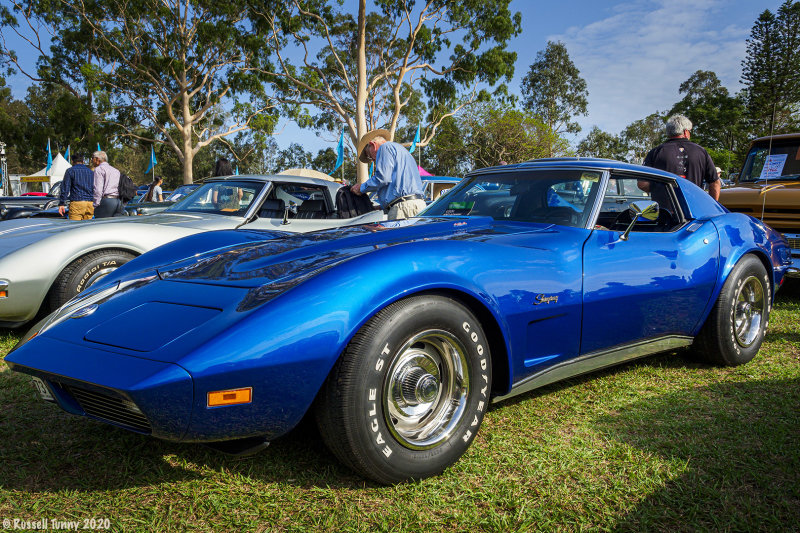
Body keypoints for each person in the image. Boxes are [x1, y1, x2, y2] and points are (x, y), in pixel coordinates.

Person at [350, 129, 426, 219]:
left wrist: (361, 188)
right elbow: (398, 186)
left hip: (403, 208)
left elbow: (383, 178)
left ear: (372, 145)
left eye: (370, 156)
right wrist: (382, 207)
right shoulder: (403, 151)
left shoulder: (384, 148)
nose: (373, 161)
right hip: (419, 206)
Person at [643, 114, 720, 201]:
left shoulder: (656, 152)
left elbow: (642, 183)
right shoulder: (701, 152)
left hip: (666, 209)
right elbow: (715, 183)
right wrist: (713, 205)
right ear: (685, 132)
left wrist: (659, 190)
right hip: (694, 208)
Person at [58, 153, 95, 220]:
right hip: (90, 204)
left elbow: (66, 188)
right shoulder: (91, 172)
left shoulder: (70, 171)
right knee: (88, 228)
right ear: (83, 161)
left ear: (72, 161)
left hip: (77, 203)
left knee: (75, 227)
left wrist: (61, 203)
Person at [92, 150, 125, 217]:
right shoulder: (116, 170)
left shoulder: (99, 169)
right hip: (118, 202)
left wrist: (95, 204)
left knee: (101, 225)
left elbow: (98, 189)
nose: (91, 160)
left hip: (106, 201)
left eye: (92, 158)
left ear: (97, 159)